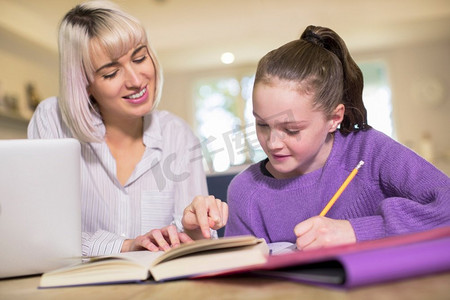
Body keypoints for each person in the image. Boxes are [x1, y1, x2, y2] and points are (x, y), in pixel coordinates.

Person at [28, 0, 227, 256]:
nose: (135, 81)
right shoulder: (52, 119)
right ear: (84, 83)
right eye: (111, 73)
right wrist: (126, 246)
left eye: (140, 57)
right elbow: (43, 230)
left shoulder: (179, 135)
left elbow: (200, 248)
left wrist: (197, 231)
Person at [224, 25, 450, 250]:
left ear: (334, 118)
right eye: (262, 124)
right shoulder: (245, 191)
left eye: (292, 130)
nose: (272, 143)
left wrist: (356, 231)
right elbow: (238, 277)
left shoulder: (369, 152)